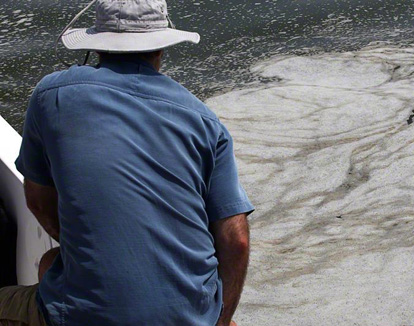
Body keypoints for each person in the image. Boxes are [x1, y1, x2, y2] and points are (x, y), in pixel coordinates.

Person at [0, 1, 254, 325]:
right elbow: (237, 240)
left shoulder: (52, 95)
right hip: (191, 317)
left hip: (85, 316)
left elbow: (37, 201)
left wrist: (94, 251)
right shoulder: (205, 122)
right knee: (51, 262)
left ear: (97, 44)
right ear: (161, 46)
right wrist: (221, 320)